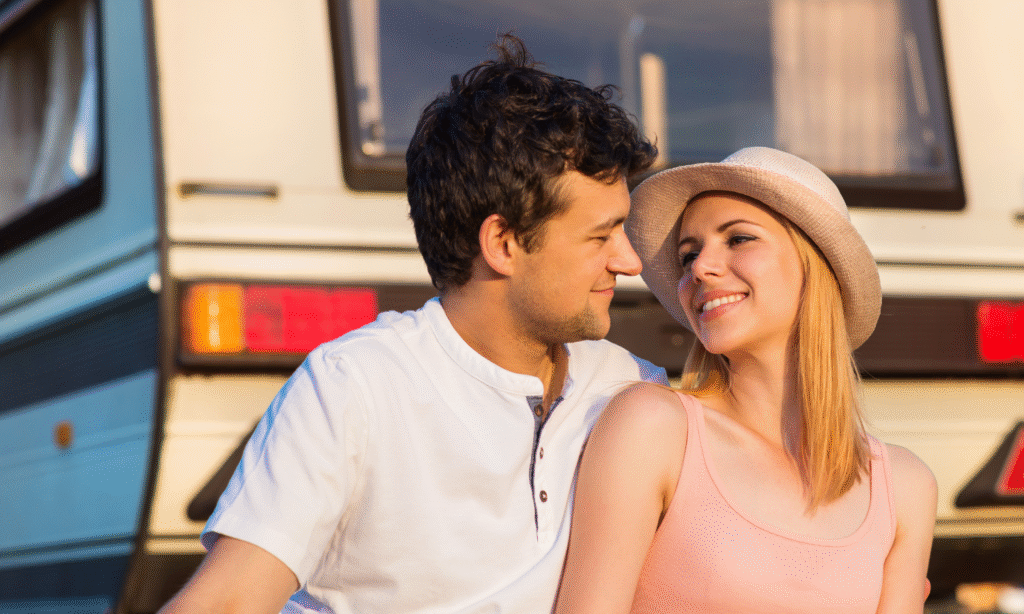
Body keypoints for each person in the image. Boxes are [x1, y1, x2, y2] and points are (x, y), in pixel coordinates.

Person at [158, 35, 666, 614]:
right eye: (600, 237)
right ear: (501, 243)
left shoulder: (632, 389)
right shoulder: (356, 387)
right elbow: (225, 603)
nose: (629, 262)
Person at [554, 147, 938, 614]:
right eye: (688, 254)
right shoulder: (653, 428)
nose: (699, 267)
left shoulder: (904, 486)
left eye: (737, 239)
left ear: (815, 266)